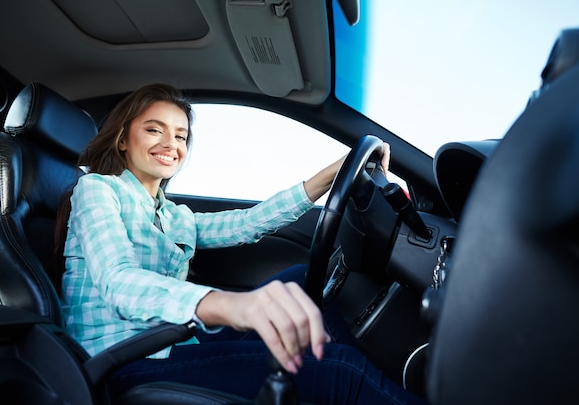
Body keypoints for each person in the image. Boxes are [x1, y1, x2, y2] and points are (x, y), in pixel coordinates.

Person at [57, 83, 426, 404]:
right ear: (123, 139)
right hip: (121, 360)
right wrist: (232, 304)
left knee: (298, 280)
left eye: (181, 135)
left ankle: (333, 361)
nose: (171, 143)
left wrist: (333, 173)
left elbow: (248, 223)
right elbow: (118, 280)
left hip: (170, 341)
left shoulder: (173, 215)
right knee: (344, 372)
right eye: (154, 130)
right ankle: (342, 372)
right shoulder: (98, 189)